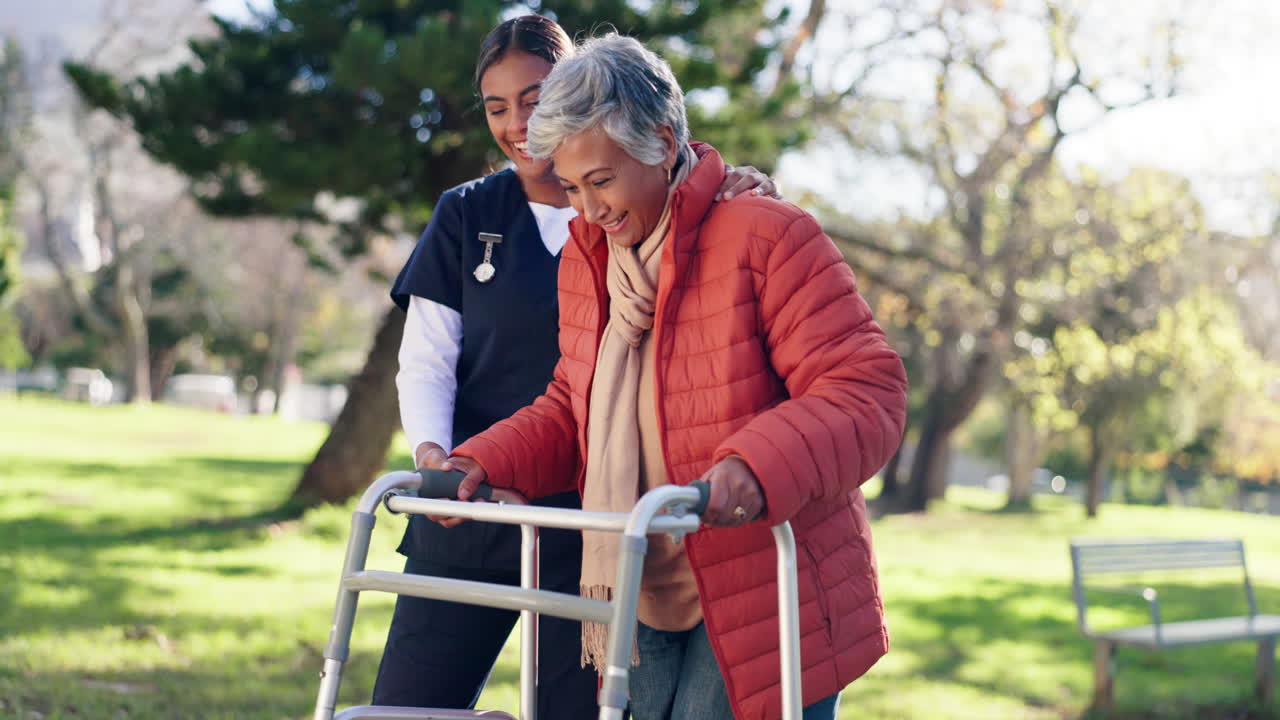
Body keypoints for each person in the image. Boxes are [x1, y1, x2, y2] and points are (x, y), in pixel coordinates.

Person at [438, 33, 909, 720]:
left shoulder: (766, 235)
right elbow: (576, 405)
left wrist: (753, 466)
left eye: (601, 181)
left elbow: (867, 391)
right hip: (643, 578)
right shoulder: (590, 257)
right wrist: (480, 459)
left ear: (660, 141)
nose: (588, 209)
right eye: (570, 187)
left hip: (760, 579)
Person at [380, 15, 782, 715]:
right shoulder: (467, 215)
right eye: (496, 107)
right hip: (471, 508)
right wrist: (439, 462)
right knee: (410, 704)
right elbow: (427, 362)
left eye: (535, 100)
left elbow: (689, 205)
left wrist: (727, 192)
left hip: (584, 528)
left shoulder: (626, 214)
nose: (515, 124)